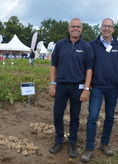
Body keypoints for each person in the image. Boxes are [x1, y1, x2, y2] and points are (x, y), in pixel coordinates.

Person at [80, 18, 118, 163]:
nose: (107, 29)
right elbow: (86, 65)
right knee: (92, 117)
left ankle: (104, 144)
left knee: (110, 117)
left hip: (113, 88)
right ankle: (89, 147)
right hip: (97, 87)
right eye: (104, 26)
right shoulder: (92, 45)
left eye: (110, 27)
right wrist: (87, 84)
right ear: (101, 28)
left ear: (113, 29)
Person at [49, 18, 94, 158]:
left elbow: (89, 69)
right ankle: (59, 140)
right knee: (57, 114)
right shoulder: (60, 44)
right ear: (69, 28)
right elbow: (53, 65)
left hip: (77, 87)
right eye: (73, 26)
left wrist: (86, 89)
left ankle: (72, 143)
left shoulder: (86, 47)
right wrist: (52, 84)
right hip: (61, 85)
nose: (75, 29)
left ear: (82, 29)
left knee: (75, 116)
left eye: (78, 26)